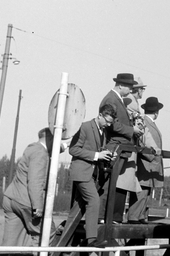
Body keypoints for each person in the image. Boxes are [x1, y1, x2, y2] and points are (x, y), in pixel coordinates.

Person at [66, 104, 117, 246]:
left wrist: (107, 156)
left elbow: (99, 151)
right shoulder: (84, 127)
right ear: (100, 115)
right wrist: (96, 155)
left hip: (90, 174)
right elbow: (73, 150)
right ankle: (91, 239)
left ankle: (63, 246)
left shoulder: (103, 132)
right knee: (94, 200)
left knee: (76, 211)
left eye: (110, 123)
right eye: (107, 121)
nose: (108, 124)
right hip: (81, 173)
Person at [98, 73, 143, 223]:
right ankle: (102, 217)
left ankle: (104, 217)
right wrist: (132, 130)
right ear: (121, 85)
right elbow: (112, 123)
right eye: (129, 87)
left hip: (120, 146)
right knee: (107, 182)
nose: (130, 90)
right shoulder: (112, 99)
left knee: (110, 182)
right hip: (115, 146)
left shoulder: (116, 99)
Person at [2, 127, 57, 247]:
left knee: (11, 241)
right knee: (46, 233)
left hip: (11, 198)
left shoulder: (32, 148)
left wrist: (66, 144)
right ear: (50, 139)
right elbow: (35, 180)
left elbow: (57, 148)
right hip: (26, 201)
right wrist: (38, 206)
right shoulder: (41, 153)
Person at [127, 97, 164, 224]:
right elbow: (142, 143)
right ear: (156, 112)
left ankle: (140, 215)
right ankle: (134, 216)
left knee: (146, 191)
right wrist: (152, 156)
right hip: (146, 163)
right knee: (141, 190)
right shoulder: (144, 122)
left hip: (150, 163)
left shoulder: (149, 123)